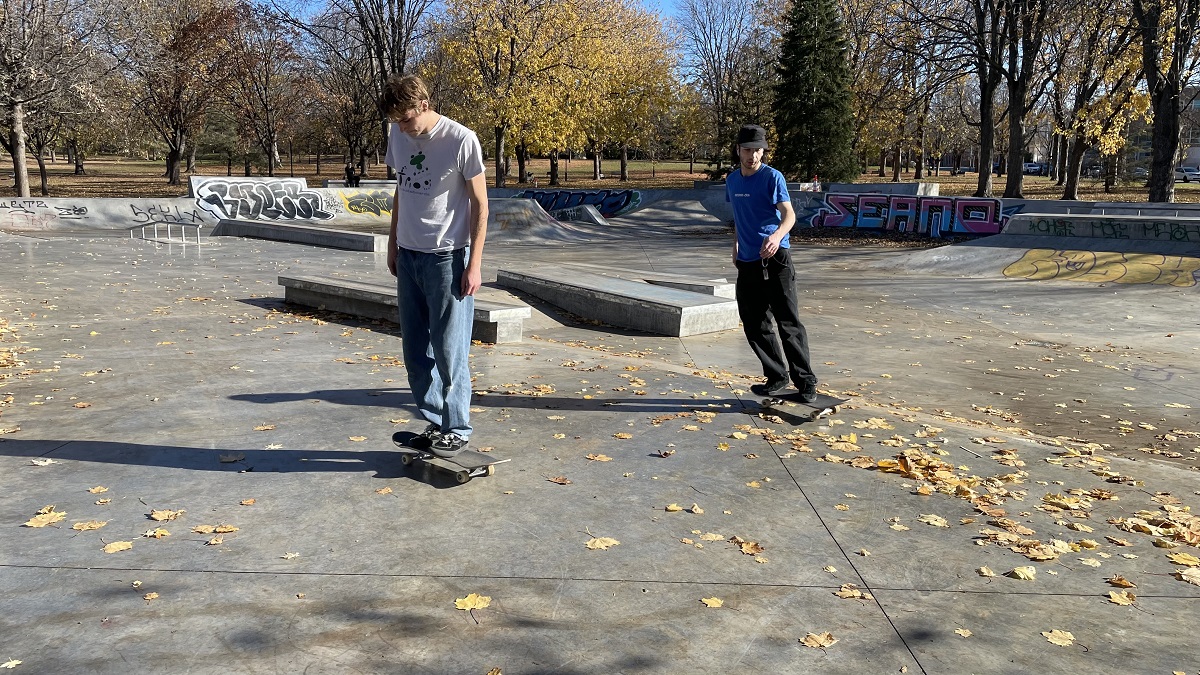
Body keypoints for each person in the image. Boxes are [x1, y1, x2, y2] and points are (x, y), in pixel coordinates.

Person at [381, 75, 488, 457]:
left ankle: (457, 426)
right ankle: (436, 419)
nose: (403, 128)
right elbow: (401, 191)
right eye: (397, 122)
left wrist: (473, 264)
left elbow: (481, 205)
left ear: (424, 105)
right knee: (414, 350)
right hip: (408, 256)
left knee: (449, 350)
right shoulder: (397, 134)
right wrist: (393, 243)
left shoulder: (462, 140)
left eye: (407, 119)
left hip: (447, 258)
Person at [727, 124, 818, 401]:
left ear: (763, 152)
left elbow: (789, 215)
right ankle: (777, 376)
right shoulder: (732, 181)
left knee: (788, 322)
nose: (752, 156)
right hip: (747, 262)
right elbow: (739, 217)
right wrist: (735, 244)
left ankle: (806, 382)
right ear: (738, 151)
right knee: (754, 323)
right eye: (747, 150)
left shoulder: (772, 177)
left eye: (758, 151)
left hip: (775, 260)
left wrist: (777, 236)